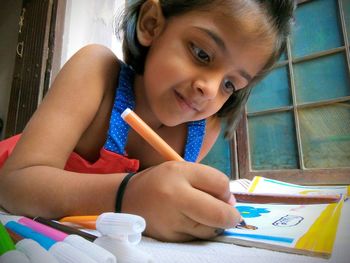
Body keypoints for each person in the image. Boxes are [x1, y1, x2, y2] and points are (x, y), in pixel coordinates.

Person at [0, 0, 295, 242]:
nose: (210, 89)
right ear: (151, 24)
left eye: (230, 85)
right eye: (202, 53)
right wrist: (128, 195)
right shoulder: (97, 73)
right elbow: (14, 186)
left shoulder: (204, 130)